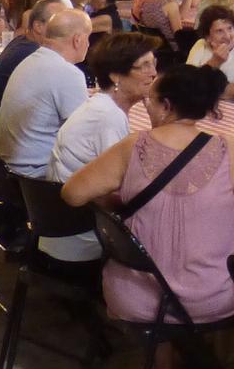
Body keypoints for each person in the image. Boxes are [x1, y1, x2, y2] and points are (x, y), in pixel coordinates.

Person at [62, 64, 234, 369]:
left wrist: (116, 197)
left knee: (160, 261)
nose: (145, 106)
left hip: (134, 293)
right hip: (211, 297)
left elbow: (73, 192)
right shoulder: (227, 151)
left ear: (167, 105)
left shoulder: (132, 148)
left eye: (150, 101)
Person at [46, 33, 162, 261]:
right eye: (144, 66)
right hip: (81, 234)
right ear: (116, 76)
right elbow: (126, 189)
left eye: (154, 64)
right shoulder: (107, 117)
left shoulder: (102, 107)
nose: (154, 73)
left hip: (63, 225)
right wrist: (160, 127)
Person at [0, 8, 94, 177]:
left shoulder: (30, 60)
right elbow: (84, 136)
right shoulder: (68, 73)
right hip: (34, 179)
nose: (89, 44)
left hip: (3, 171)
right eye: (88, 38)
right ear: (78, 40)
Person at [0, 0, 62, 139]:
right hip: (1, 138)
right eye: (58, 24)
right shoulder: (33, 54)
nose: (64, 29)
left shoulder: (21, 42)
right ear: (38, 26)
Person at [189, 3, 234, 88]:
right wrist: (213, 63)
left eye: (230, 28)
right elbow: (188, 82)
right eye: (219, 31)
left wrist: (205, 91)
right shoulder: (200, 45)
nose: (227, 36)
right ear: (207, 36)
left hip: (232, 101)